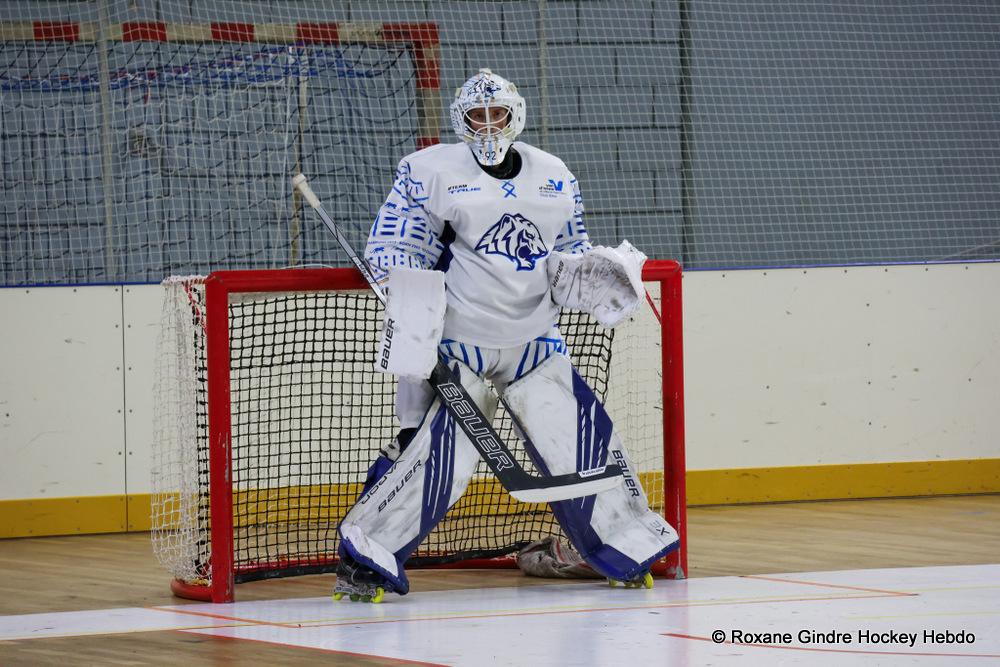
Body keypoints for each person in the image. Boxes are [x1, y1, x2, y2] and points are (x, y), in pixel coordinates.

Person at [333, 69, 679, 603]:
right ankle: (366, 561)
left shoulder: (555, 175)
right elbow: (394, 246)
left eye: (498, 115)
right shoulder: (429, 172)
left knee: (583, 439)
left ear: (516, 115)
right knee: (434, 458)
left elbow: (569, 250)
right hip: (456, 344)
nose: (489, 125)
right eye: (478, 116)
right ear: (461, 119)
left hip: (534, 340)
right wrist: (407, 300)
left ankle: (625, 546)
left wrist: (592, 274)